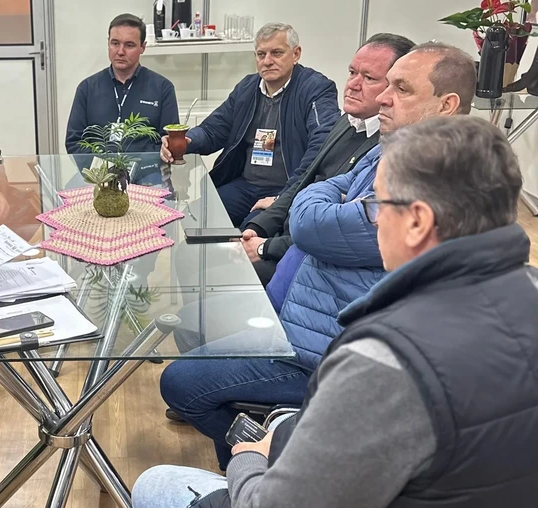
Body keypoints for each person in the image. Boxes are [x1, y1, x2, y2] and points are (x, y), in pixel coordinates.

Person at [134, 114, 538, 508]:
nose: (371, 224)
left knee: (156, 483)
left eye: (376, 207)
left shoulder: (383, 359)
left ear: (417, 221)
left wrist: (250, 457)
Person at [161, 42, 476, 471]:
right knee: (191, 322)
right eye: (358, 73)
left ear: (447, 104)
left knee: (178, 383)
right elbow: (313, 189)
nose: (380, 95)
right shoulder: (387, 147)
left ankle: (279, 455)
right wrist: (324, 206)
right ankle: (251, 451)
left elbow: (310, 222)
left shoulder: (433, 183)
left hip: (320, 353)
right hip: (301, 310)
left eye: (399, 88)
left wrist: (305, 220)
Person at [241, 33, 415, 286]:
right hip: (289, 233)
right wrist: (260, 228)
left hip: (307, 255)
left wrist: (265, 247)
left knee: (219, 278)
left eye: (368, 78)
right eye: (352, 72)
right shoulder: (347, 121)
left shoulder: (391, 147)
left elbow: (338, 231)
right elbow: (303, 180)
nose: (353, 85)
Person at [160, 23, 340, 228]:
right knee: (193, 223)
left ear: (296, 54)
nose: (267, 61)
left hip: (285, 189)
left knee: (249, 232)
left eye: (276, 53)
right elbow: (214, 128)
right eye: (261, 54)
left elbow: (323, 141)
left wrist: (287, 195)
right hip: (245, 186)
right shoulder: (247, 87)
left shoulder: (315, 88)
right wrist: (187, 141)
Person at [65, 13, 179, 155]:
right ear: (108, 43)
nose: (120, 51)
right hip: (97, 173)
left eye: (129, 45)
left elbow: (168, 142)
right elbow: (74, 142)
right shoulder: (87, 88)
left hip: (147, 173)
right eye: (115, 43)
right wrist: (103, 168)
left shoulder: (163, 88)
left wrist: (139, 164)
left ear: (143, 47)